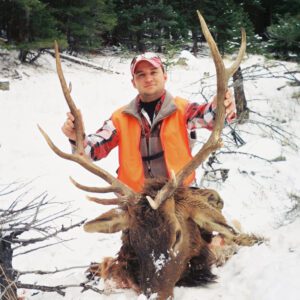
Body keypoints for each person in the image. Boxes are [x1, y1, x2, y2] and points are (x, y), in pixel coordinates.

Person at [62, 52, 236, 192]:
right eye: (141, 74)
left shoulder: (182, 110)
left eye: (154, 72)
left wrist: (221, 105)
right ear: (133, 82)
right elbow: (91, 151)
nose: (148, 78)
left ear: (165, 76)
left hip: (179, 195)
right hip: (137, 201)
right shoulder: (120, 118)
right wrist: (76, 137)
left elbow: (208, 116)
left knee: (209, 225)